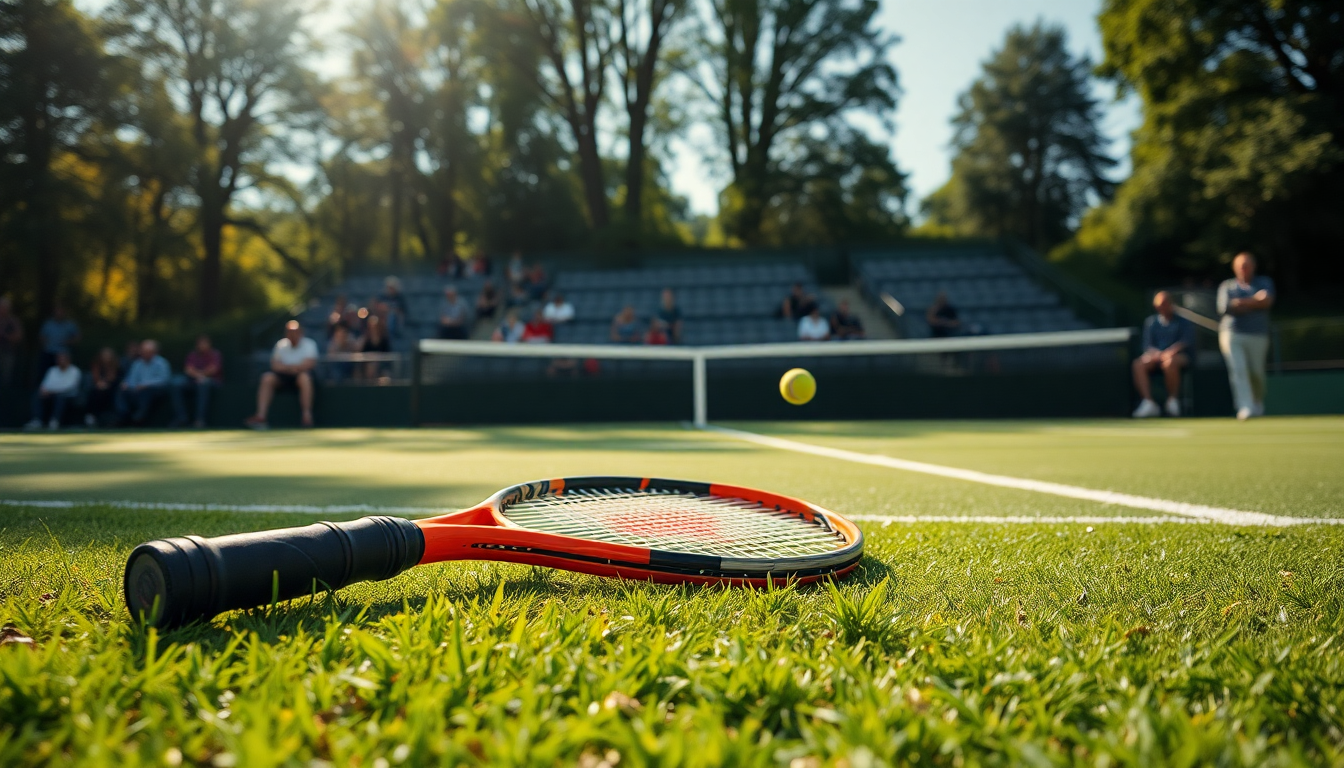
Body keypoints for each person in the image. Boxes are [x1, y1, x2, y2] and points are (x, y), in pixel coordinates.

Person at [1217, 252, 1275, 420]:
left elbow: (1267, 302)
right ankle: (1245, 406)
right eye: (1240, 266)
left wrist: (1241, 303)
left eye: (1246, 265)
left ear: (1253, 267)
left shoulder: (1265, 282)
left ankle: (1256, 402)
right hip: (1232, 333)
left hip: (1258, 335)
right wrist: (1255, 301)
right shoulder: (1227, 286)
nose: (1244, 269)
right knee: (1238, 369)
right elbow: (1225, 308)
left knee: (1256, 372)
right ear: (1235, 268)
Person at [1132, 291, 1196, 418]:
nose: (1162, 307)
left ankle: (1172, 401)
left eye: (1164, 304)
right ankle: (1148, 402)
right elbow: (1147, 346)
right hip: (1157, 357)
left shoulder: (1183, 322)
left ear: (1170, 304)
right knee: (1138, 364)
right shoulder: (1151, 323)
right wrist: (1157, 354)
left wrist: (1169, 352)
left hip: (1179, 357)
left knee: (1170, 362)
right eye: (1159, 305)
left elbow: (1186, 342)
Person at [246, 321, 318, 429]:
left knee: (305, 378)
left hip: (301, 376)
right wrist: (291, 368)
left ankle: (307, 416)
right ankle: (261, 417)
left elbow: (309, 364)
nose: (292, 334)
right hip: (284, 376)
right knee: (267, 378)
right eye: (289, 332)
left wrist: (292, 368)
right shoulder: (281, 345)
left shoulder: (309, 344)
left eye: (294, 331)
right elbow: (275, 365)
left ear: (300, 332)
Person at [170, 335, 223, 428]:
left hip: (212, 382)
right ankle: (181, 418)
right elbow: (188, 369)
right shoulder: (192, 355)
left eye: (204, 343)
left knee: (203, 384)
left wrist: (202, 376)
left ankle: (199, 420)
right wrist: (199, 376)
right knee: (176, 385)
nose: (202, 345)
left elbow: (213, 369)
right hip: (193, 381)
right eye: (200, 344)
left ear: (209, 344)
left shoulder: (215, 354)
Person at [116, 340, 172, 425]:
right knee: (122, 390)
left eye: (148, 352)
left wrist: (146, 384)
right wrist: (126, 384)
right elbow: (131, 379)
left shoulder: (161, 363)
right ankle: (123, 416)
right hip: (137, 390)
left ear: (154, 352)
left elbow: (164, 380)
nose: (145, 354)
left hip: (154, 391)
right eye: (143, 351)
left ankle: (139, 417)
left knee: (146, 392)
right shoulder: (137, 363)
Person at [25, 350, 81, 430]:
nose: (60, 361)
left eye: (62, 359)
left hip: (68, 396)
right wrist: (44, 390)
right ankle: (36, 420)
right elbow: (45, 384)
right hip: (51, 394)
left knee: (60, 397)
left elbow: (69, 387)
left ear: (68, 360)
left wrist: (52, 391)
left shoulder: (75, 371)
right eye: (59, 359)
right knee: (37, 395)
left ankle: (54, 421)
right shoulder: (52, 370)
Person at [84, 347, 120, 427]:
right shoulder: (96, 366)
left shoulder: (116, 366)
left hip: (112, 388)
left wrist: (106, 384)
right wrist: (100, 383)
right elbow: (95, 378)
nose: (106, 357)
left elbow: (114, 379)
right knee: (95, 393)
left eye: (108, 355)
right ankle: (91, 416)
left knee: (103, 393)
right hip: (98, 388)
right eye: (104, 355)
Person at [38, 305, 80, 373]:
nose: (59, 313)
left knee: (62, 373)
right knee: (45, 372)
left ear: (64, 312)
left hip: (63, 353)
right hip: (49, 352)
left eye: (61, 311)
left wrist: (68, 342)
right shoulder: (48, 323)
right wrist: (46, 342)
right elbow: (41, 337)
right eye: (57, 311)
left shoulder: (70, 324)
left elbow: (77, 338)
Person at [358, 314, 392, 380]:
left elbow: (387, 355)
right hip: (367, 366)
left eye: (375, 327)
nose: (373, 329)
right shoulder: (366, 341)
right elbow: (362, 354)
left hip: (382, 366)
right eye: (371, 327)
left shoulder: (384, 340)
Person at [0, 297, 22, 386]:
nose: (2, 309)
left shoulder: (13, 321)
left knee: (6, 376)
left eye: (4, 307)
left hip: (7, 352)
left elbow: (18, 336)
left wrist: (5, 335)